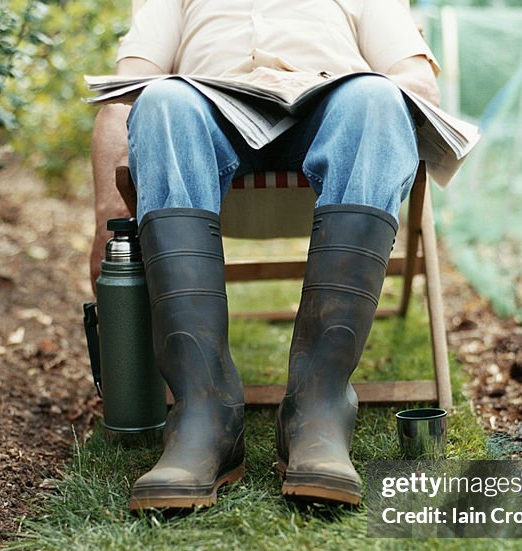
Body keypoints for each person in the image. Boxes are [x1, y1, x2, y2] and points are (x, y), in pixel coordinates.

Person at [90, 0, 442, 510]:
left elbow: (413, 77)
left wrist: (382, 92)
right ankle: (205, 416)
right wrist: (106, 214)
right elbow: (123, 95)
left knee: (378, 98)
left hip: (329, 112)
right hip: (206, 119)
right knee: (162, 101)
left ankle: (316, 409)